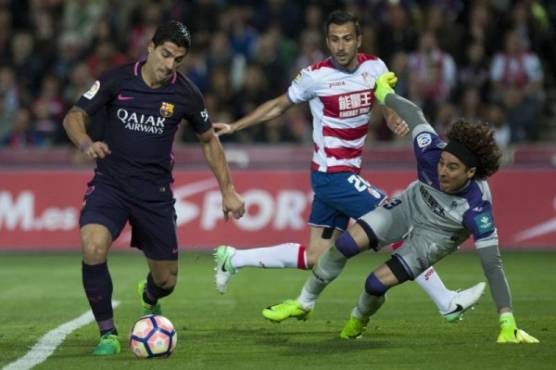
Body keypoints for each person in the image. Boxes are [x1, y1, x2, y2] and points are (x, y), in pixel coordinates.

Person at [213, 10, 484, 321]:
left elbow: (386, 100)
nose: (340, 47)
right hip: (333, 175)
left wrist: (391, 114)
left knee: (316, 257)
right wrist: (234, 127)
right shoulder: (315, 76)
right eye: (333, 40)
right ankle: (446, 302)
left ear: (358, 40)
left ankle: (232, 258)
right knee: (398, 223)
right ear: (327, 41)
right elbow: (278, 105)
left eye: (346, 39)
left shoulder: (375, 67)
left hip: (343, 176)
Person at [262, 71, 539, 345]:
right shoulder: (430, 151)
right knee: (345, 244)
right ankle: (304, 302)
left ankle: (359, 319)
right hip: (408, 206)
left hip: (435, 237)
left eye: (452, 168)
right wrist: (385, 93)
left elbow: (493, 265)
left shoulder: (477, 208)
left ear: (471, 173)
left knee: (374, 284)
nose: (442, 170)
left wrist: (507, 320)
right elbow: (414, 113)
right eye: (443, 163)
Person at [62, 21, 245, 356]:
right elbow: (73, 116)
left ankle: (148, 298)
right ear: (149, 47)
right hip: (111, 185)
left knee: (166, 281)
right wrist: (86, 142)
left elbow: (208, 140)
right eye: (165, 54)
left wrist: (228, 190)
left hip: (154, 194)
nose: (169, 65)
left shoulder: (186, 93)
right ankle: (107, 333)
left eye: (178, 59)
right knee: (93, 245)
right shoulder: (117, 79)